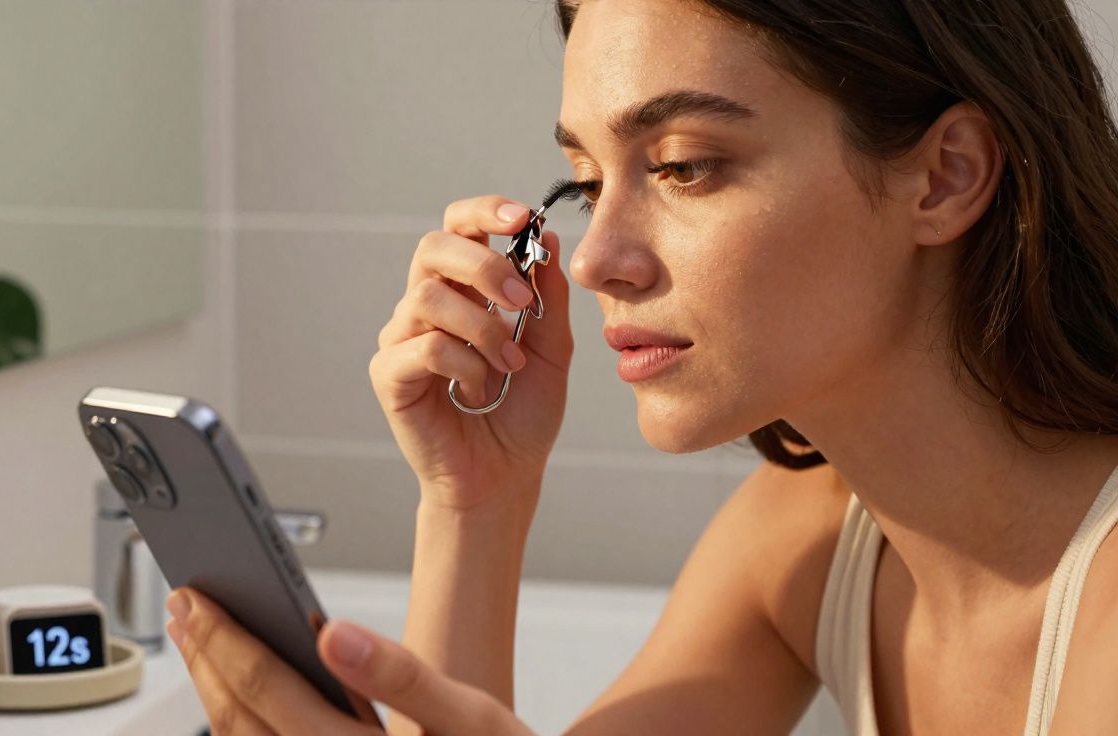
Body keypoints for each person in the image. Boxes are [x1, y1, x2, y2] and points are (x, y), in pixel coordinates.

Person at [161, 0, 1118, 733]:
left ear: (947, 174)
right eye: (585, 183)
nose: (594, 257)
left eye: (685, 166)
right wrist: (474, 500)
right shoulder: (806, 547)